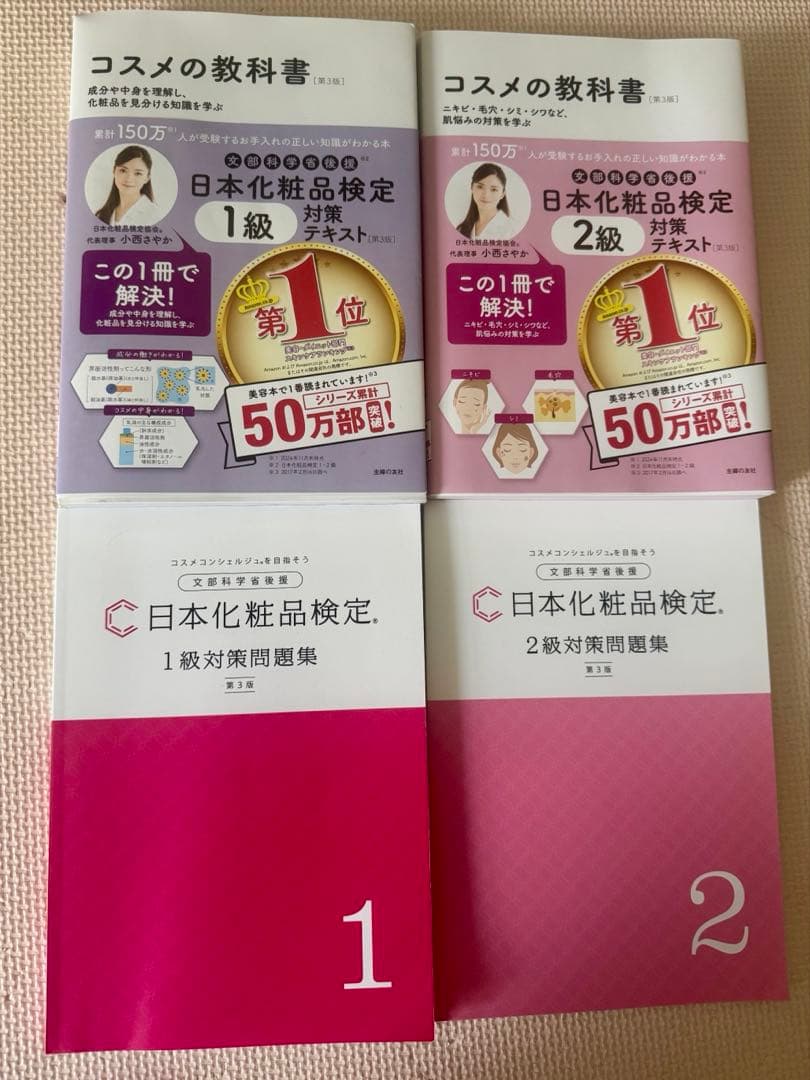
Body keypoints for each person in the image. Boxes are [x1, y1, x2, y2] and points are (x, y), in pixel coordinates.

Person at [95, 145, 162, 226]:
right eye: (123, 170)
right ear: (114, 171)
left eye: (138, 173)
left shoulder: (154, 216)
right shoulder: (101, 214)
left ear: (147, 178)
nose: (129, 179)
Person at [456, 163, 514, 240]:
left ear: (502, 194)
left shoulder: (511, 230)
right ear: (472, 188)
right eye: (480, 187)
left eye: (494, 189)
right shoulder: (461, 229)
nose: (486, 195)